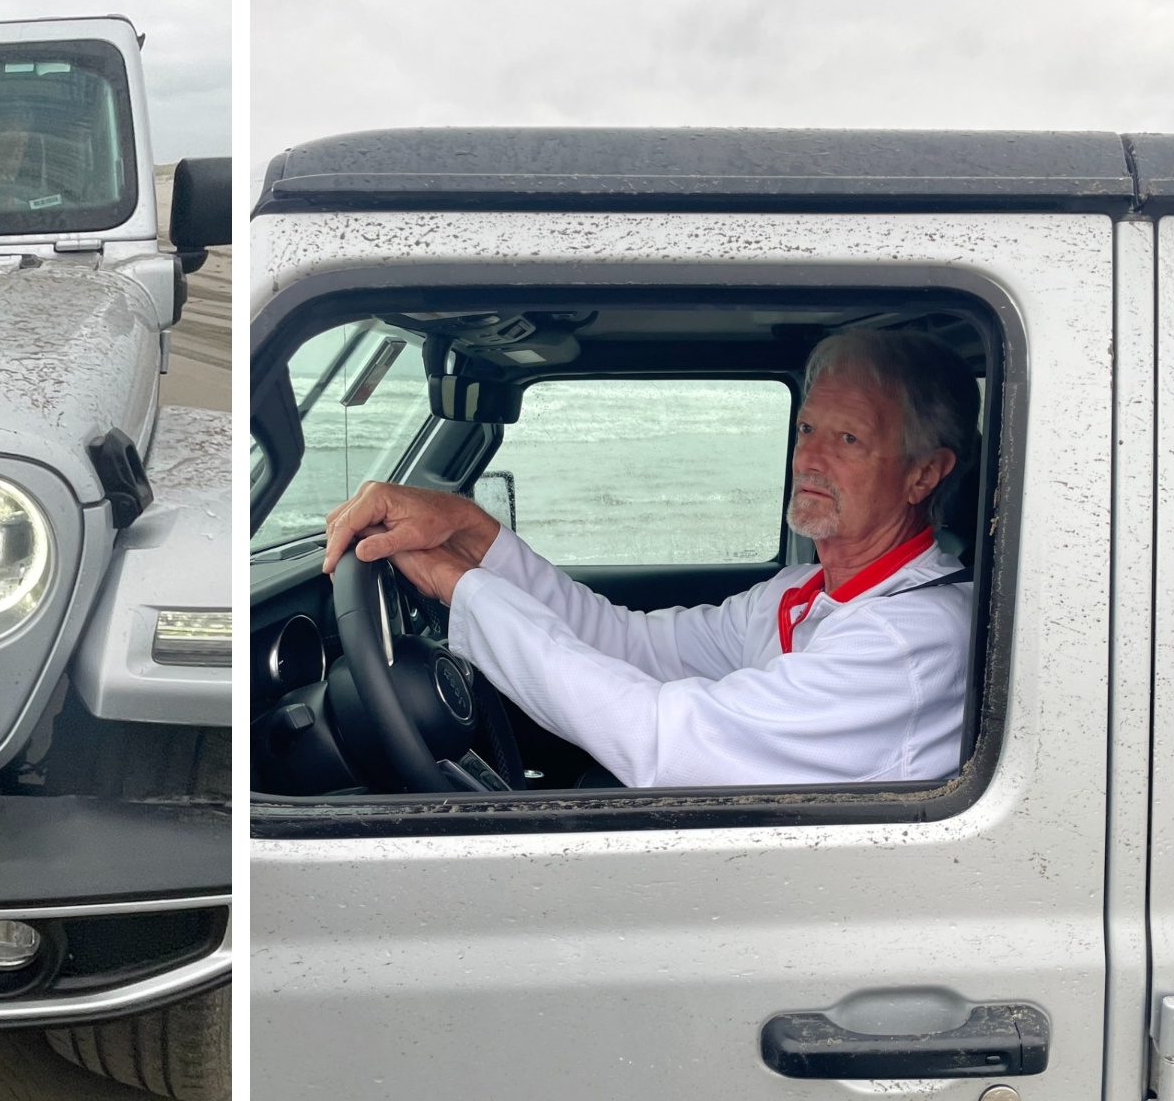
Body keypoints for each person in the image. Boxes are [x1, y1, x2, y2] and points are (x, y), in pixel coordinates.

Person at [321, 329, 981, 788]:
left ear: (924, 475)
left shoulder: (912, 639)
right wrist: (475, 536)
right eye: (808, 428)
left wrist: (462, 588)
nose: (809, 458)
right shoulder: (800, 591)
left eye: (848, 438)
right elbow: (627, 643)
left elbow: (666, 744)